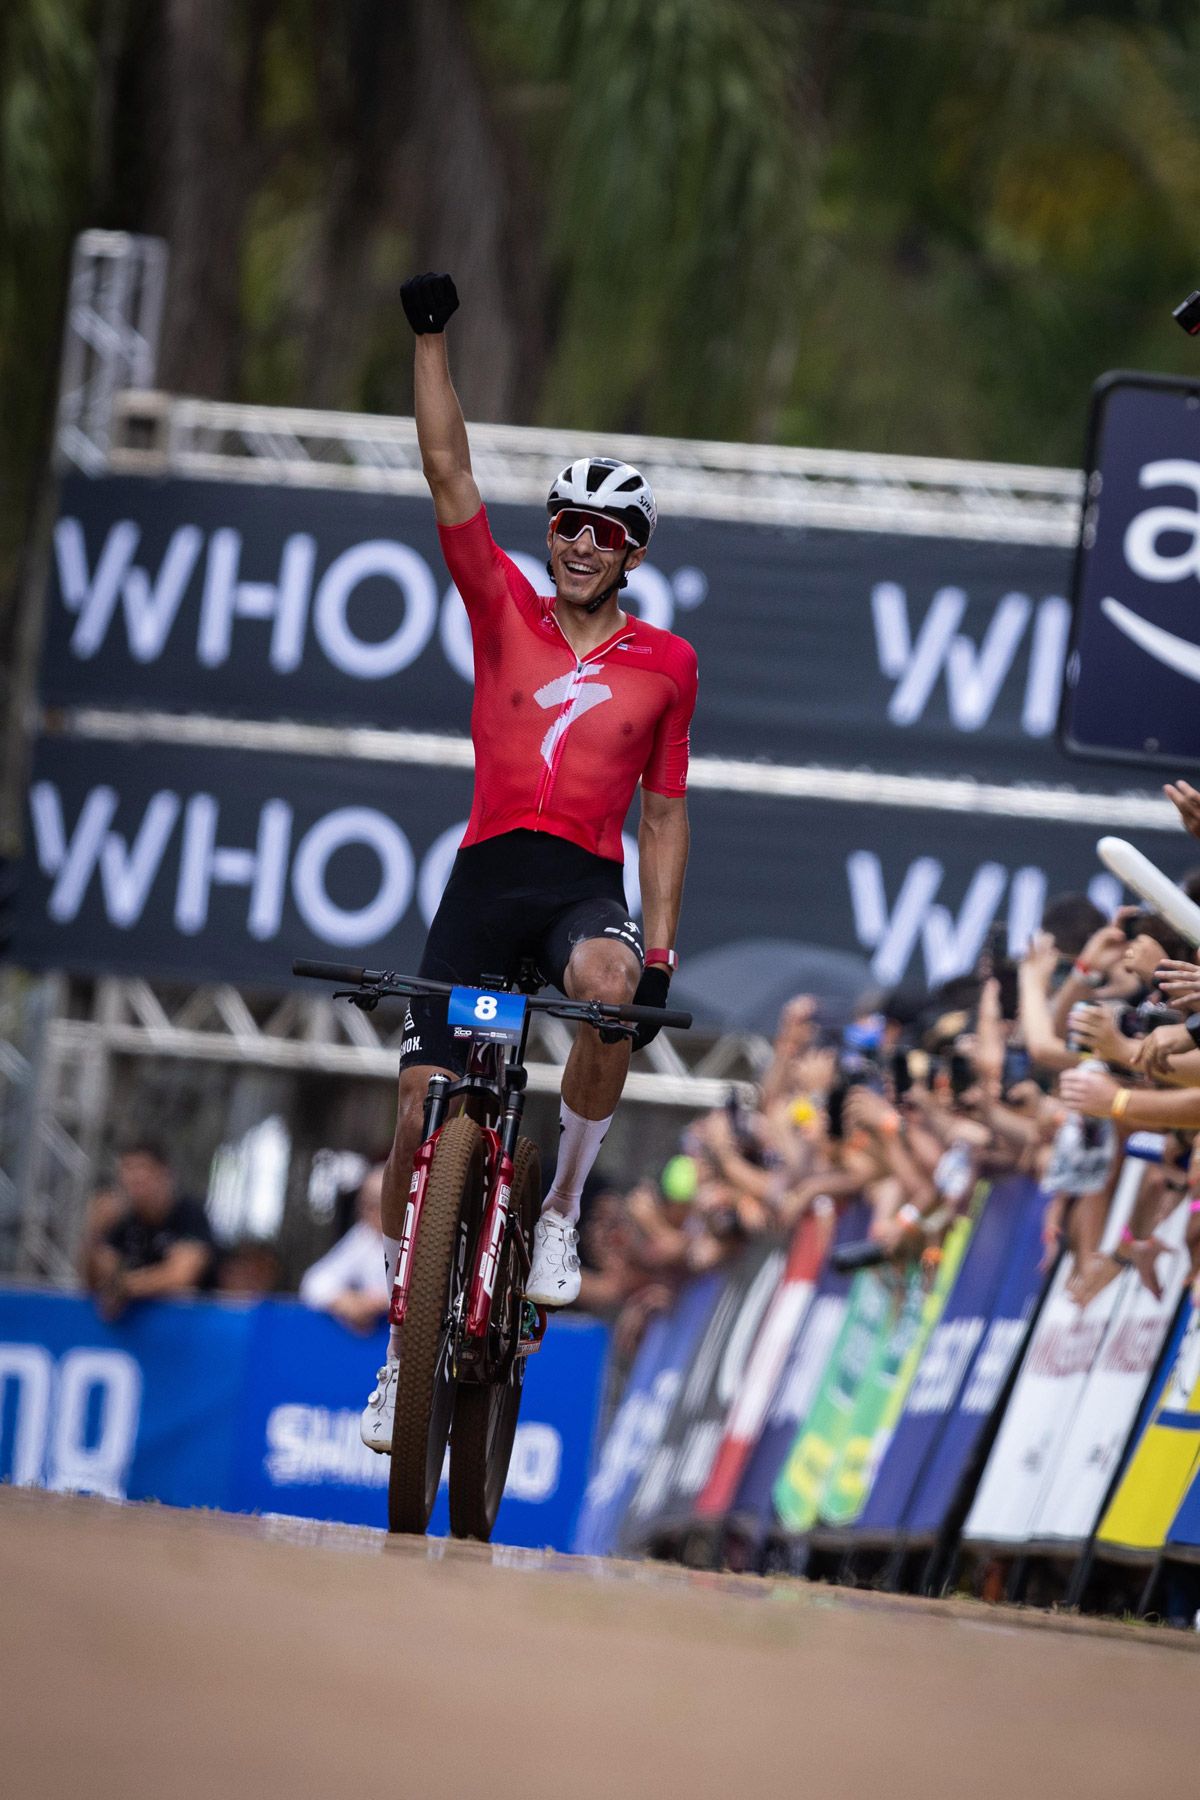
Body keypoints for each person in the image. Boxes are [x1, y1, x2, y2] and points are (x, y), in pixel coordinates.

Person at [361, 271, 698, 1453]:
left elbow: (664, 816)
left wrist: (655, 954)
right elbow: (449, 471)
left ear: (632, 552)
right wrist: (432, 336)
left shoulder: (668, 663)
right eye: (563, 521)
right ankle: (404, 1349)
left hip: (578, 886)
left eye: (602, 532)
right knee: (414, 1113)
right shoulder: (501, 601)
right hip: (484, 877)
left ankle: (557, 1207)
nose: (576, 542)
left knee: (607, 997)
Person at [82, 1141, 216, 1321]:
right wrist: (95, 1233)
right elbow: (99, 1278)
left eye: (142, 1169)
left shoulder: (188, 1214)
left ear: (164, 1173)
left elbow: (180, 1277)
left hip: (192, 1325)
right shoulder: (124, 1221)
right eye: (128, 1169)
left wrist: (125, 1287)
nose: (135, 1178)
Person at [300, 1164, 389, 1333]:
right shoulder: (365, 1237)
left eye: (376, 1204)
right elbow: (314, 1282)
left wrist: (385, 1301)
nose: (368, 1213)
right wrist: (345, 1301)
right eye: (366, 1205)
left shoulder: (427, 1236)